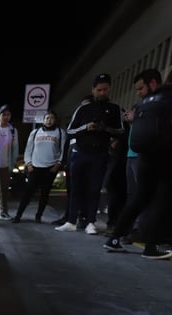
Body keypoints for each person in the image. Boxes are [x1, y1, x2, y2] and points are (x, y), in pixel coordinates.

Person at [103, 53, 172, 259]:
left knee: (140, 196)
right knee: (167, 199)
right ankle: (151, 247)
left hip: (147, 153)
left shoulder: (162, 92)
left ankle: (114, 238)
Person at [57, 74, 124, 235]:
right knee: (76, 188)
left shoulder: (114, 109)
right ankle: (71, 220)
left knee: (94, 189)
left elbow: (120, 131)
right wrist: (86, 127)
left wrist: (105, 129)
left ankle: (91, 221)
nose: (102, 93)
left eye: (105, 90)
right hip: (80, 153)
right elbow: (70, 130)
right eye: (99, 90)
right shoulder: (83, 108)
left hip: (100, 155)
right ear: (93, 90)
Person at [122, 69, 163, 237]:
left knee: (144, 195)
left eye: (140, 89)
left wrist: (136, 117)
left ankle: (142, 229)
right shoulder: (142, 105)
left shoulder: (158, 104)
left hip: (144, 157)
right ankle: (131, 227)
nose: (138, 93)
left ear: (152, 83)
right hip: (131, 155)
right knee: (132, 194)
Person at [12, 111, 66, 223]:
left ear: (55, 120)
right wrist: (28, 163)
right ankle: (18, 215)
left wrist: (58, 163)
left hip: (50, 168)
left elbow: (63, 150)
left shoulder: (60, 133)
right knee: (28, 192)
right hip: (35, 167)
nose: (49, 120)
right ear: (43, 120)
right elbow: (28, 149)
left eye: (51, 118)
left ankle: (38, 216)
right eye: (47, 118)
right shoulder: (35, 132)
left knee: (44, 193)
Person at [53, 94, 93, 226]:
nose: (83, 108)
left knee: (86, 191)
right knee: (71, 192)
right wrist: (64, 162)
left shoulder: (91, 128)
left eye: (87, 105)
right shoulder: (74, 127)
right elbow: (67, 144)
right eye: (82, 105)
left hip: (86, 164)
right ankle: (69, 217)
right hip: (71, 164)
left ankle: (84, 218)